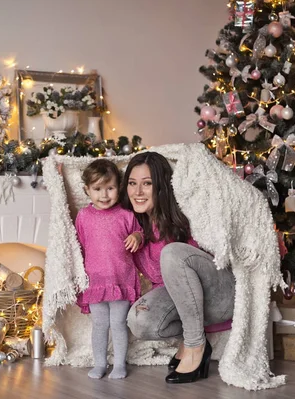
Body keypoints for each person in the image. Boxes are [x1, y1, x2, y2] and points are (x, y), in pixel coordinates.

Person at [119, 151, 235, 384]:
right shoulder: (135, 225)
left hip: (220, 293)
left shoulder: (185, 212)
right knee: (138, 321)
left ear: (161, 186)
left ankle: (195, 345)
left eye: (147, 184)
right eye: (132, 183)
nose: (137, 192)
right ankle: (192, 338)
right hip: (183, 301)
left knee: (172, 252)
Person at [75, 159, 143, 380]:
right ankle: (100, 363)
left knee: (118, 323)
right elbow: (80, 246)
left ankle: (120, 364)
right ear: (87, 190)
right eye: (97, 189)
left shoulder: (126, 215)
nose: (104, 195)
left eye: (110, 188)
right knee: (100, 324)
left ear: (119, 188)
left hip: (121, 280)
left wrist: (136, 237)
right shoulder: (83, 216)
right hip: (95, 281)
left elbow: (141, 233)